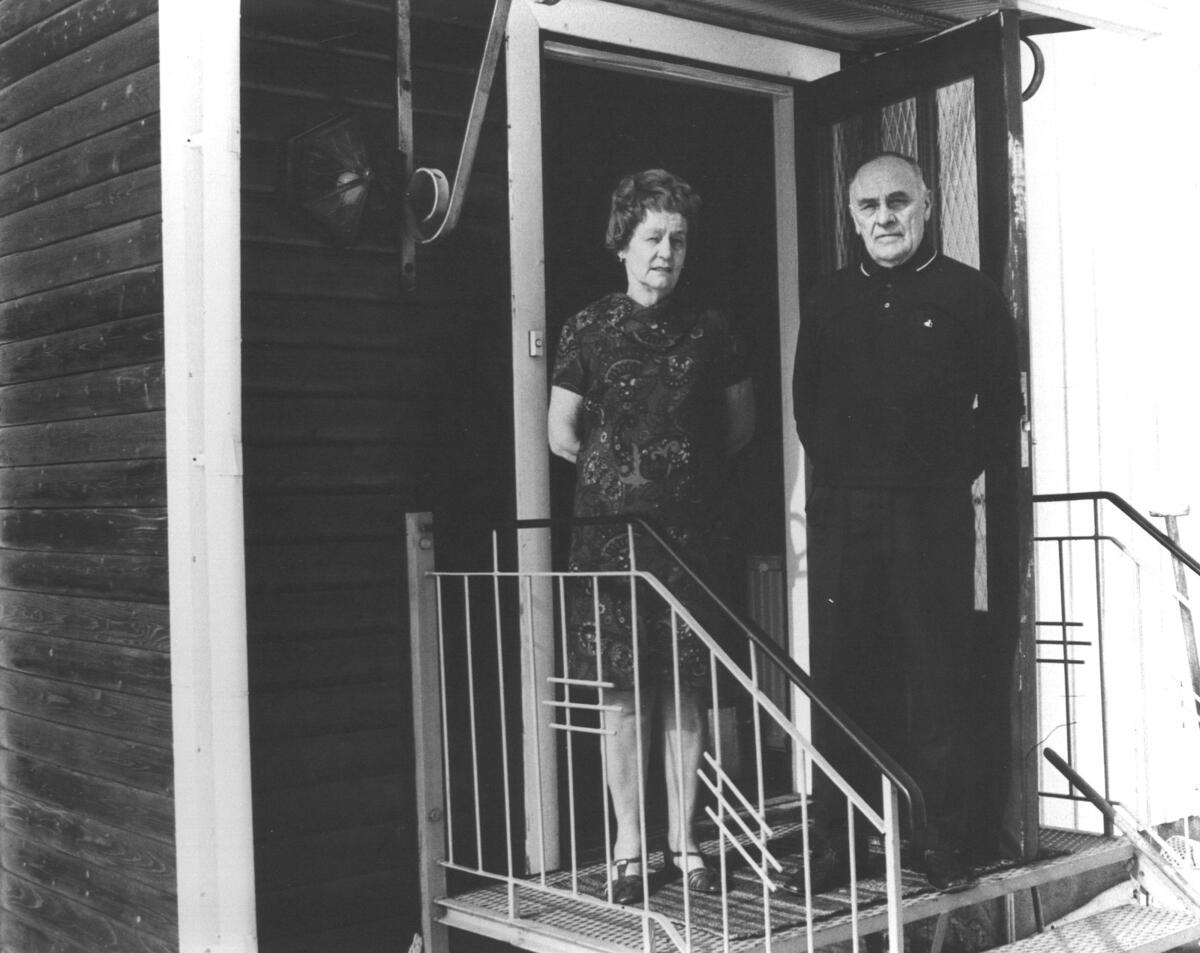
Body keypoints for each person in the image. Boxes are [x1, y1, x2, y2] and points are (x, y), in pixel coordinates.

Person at [792, 153, 1021, 891]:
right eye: (868, 206)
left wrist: (947, 473)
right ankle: (838, 843)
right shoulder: (828, 299)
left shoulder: (970, 295)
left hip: (932, 511)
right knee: (840, 675)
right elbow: (806, 406)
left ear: (926, 204)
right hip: (846, 514)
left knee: (937, 671)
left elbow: (1002, 409)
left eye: (898, 201)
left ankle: (940, 841)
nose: (884, 217)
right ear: (851, 215)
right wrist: (847, 479)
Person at [548, 168, 755, 904]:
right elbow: (561, 432)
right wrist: (621, 482)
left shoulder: (713, 330)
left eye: (678, 239)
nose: (666, 252)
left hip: (690, 543)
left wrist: (678, 483)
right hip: (609, 547)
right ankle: (630, 843)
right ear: (622, 244)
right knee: (623, 695)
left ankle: (684, 839)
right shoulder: (587, 328)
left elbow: (739, 427)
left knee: (684, 692)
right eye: (652, 238)